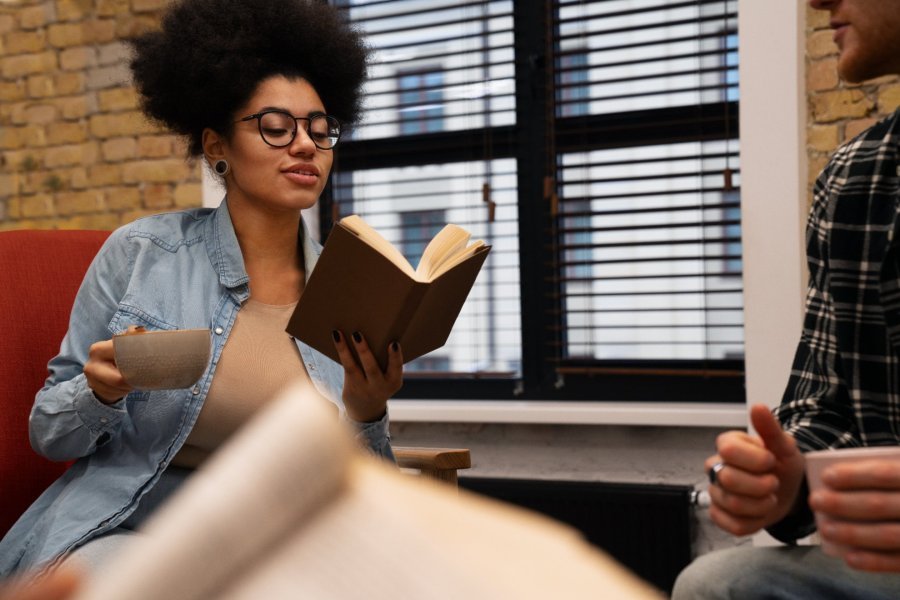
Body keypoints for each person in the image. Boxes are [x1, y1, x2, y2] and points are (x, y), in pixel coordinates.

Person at [0, 0, 403, 578]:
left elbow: (370, 493)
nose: (306, 145)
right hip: (134, 527)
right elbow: (49, 433)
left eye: (320, 129)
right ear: (217, 147)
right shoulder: (142, 253)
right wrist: (100, 393)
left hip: (282, 540)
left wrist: (367, 413)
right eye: (275, 126)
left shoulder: (347, 290)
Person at [672, 0, 900, 597]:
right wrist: (787, 480)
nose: (818, 1)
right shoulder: (859, 178)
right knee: (718, 585)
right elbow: (824, 408)